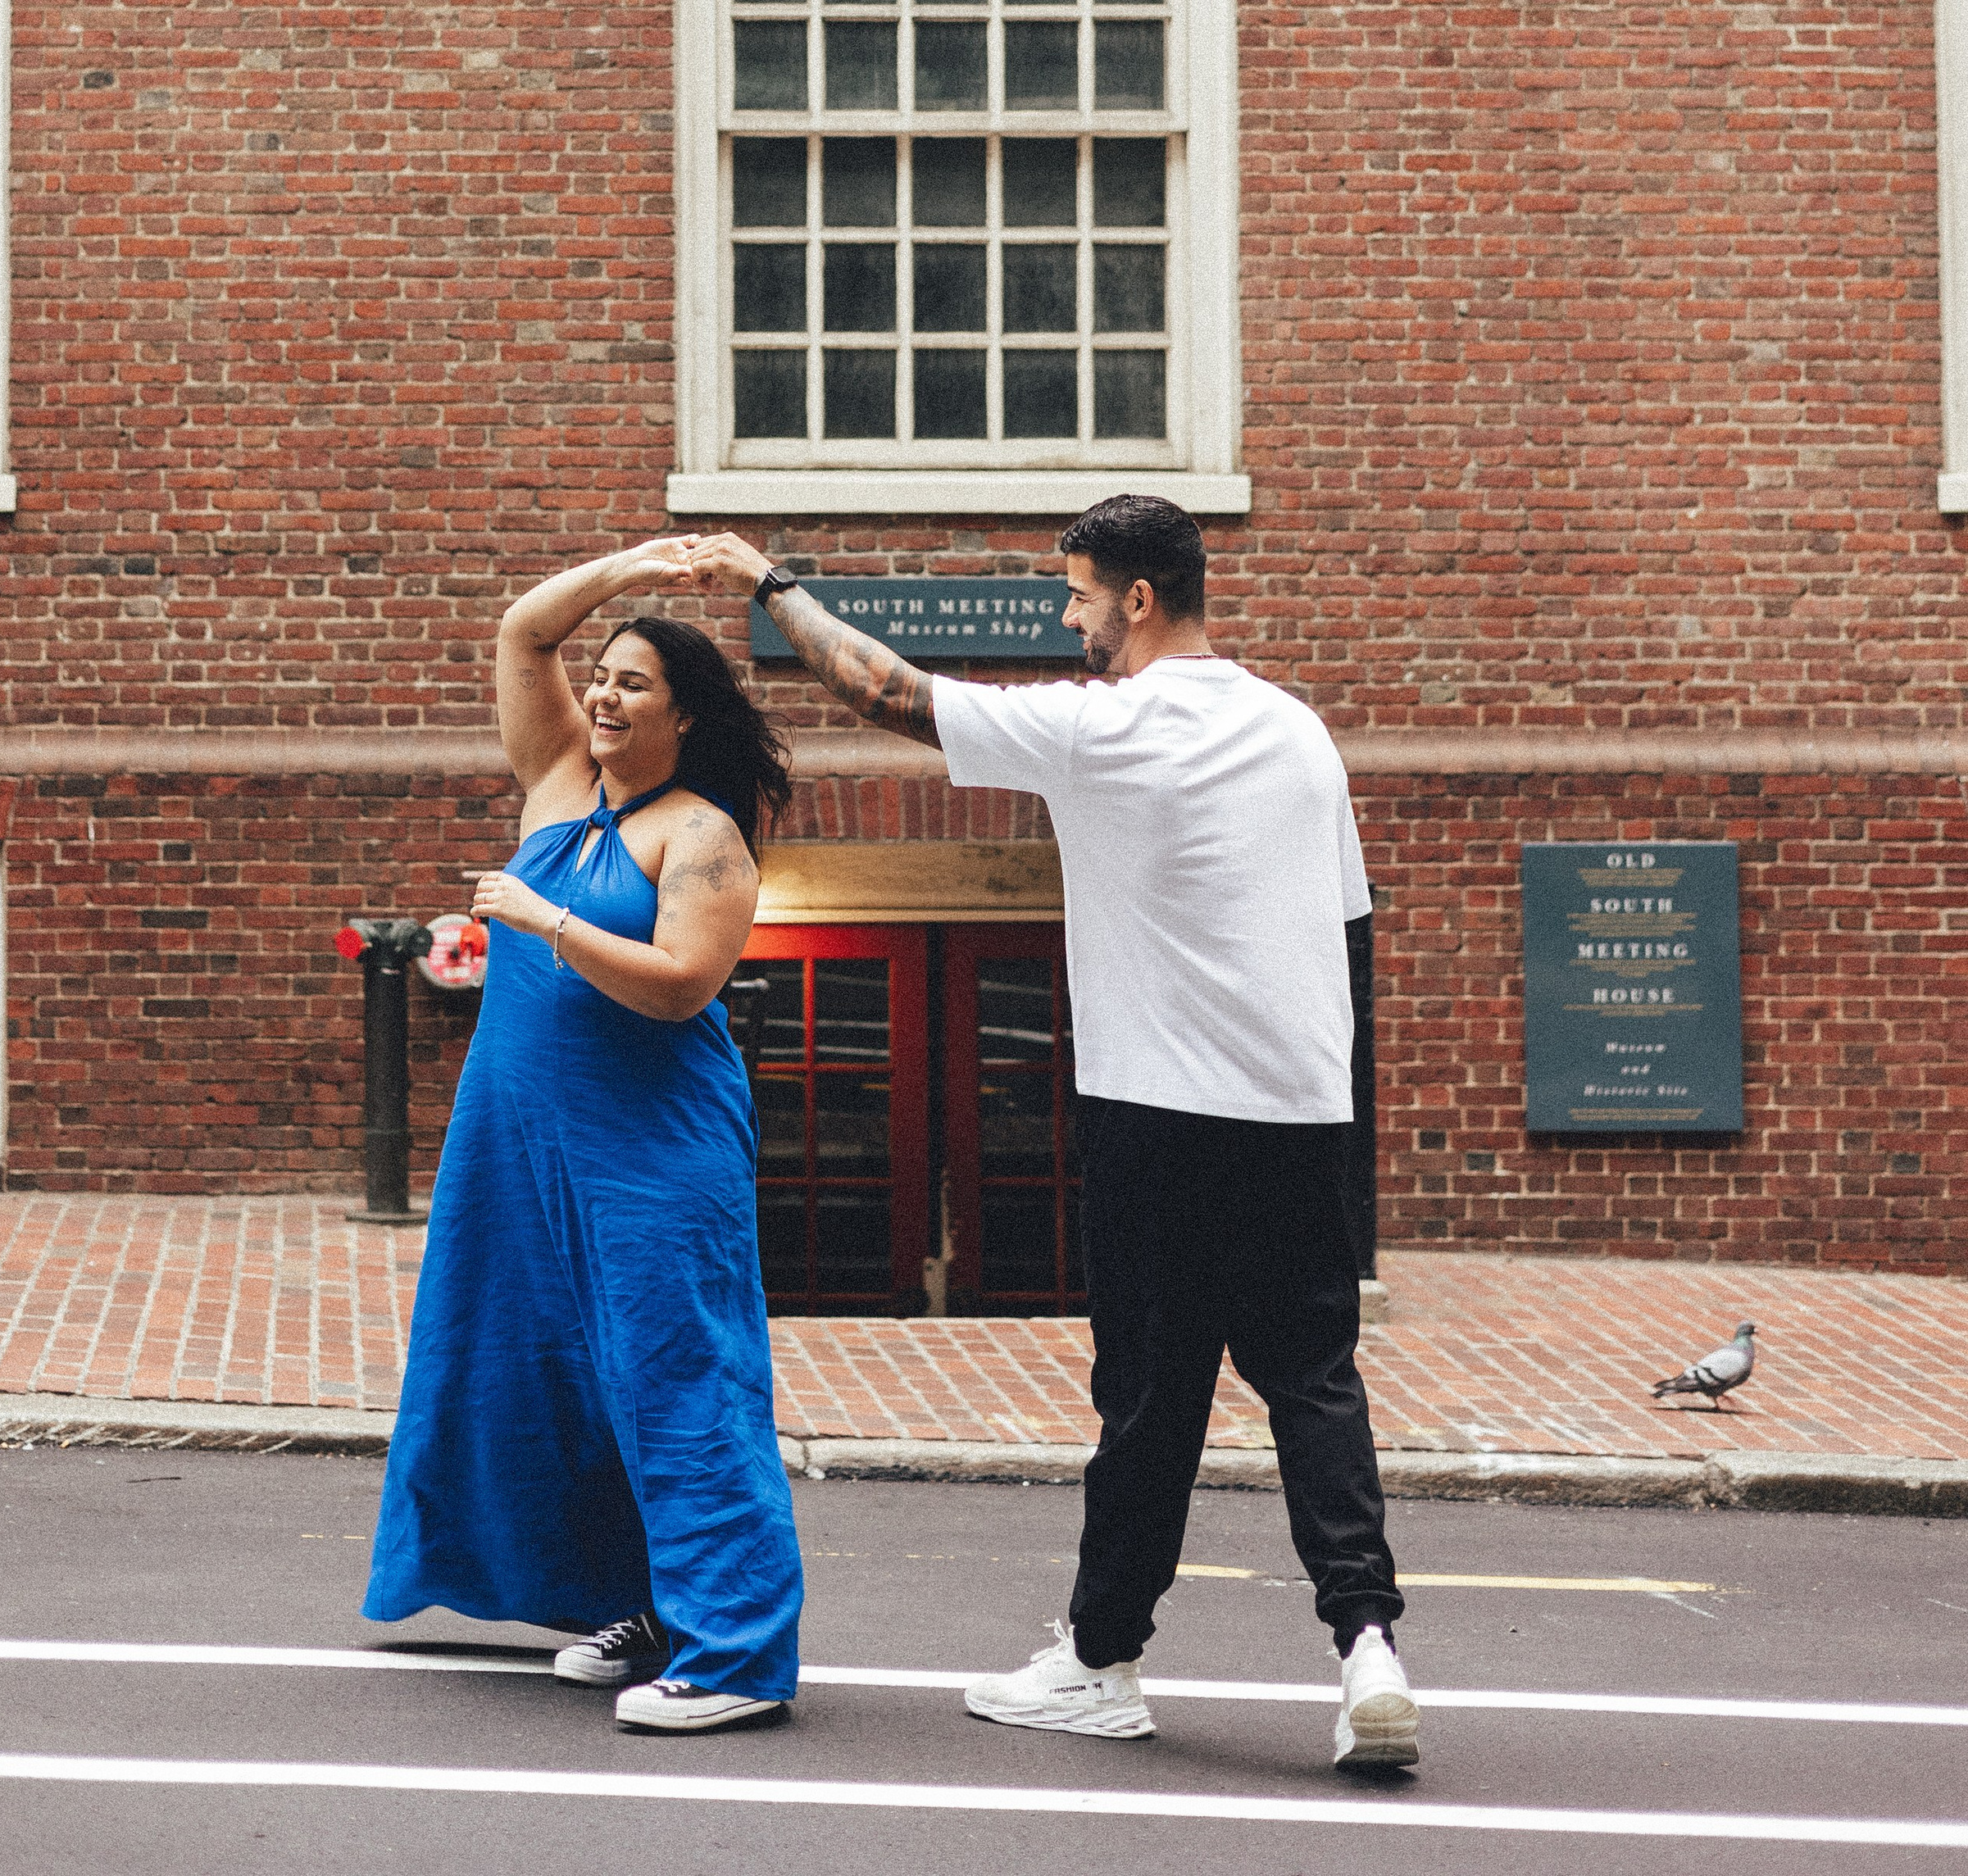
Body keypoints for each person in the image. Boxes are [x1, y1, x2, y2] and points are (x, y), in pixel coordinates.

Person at [689, 496, 1417, 1774]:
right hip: (1299, 1114)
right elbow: (1351, 934)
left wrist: (770, 578)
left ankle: (1100, 1660)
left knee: (1148, 1395)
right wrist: (1336, 1124)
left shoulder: (1103, 727)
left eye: (1079, 594)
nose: (1068, 617)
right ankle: (1368, 1649)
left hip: (1157, 1115)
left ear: (1138, 599)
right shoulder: (1301, 734)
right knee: (1314, 1381)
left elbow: (887, 692)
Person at [361, 539, 805, 1734]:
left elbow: (679, 985)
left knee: (680, 1381)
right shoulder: (558, 779)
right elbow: (521, 630)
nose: (602, 695)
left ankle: (739, 1656)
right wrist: (641, 564)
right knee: (548, 1371)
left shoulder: (703, 834)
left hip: (653, 1154)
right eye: (600, 675)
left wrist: (547, 917)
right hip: (521, 1145)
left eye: (634, 684)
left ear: (688, 713)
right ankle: (646, 1605)